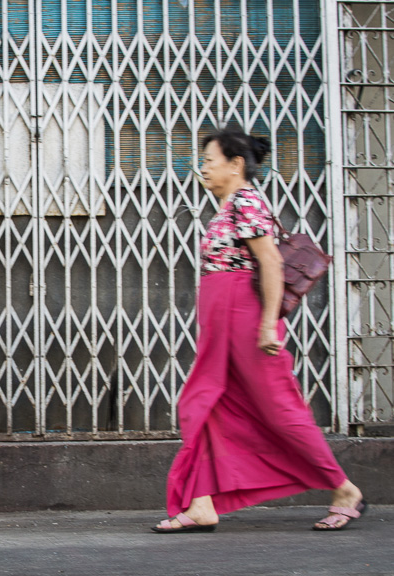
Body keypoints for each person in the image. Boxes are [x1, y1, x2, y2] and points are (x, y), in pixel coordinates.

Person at [152, 127, 366, 533]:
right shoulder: (231, 204)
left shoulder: (246, 201)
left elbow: (268, 262)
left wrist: (268, 323)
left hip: (244, 321)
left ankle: (344, 489)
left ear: (235, 165)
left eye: (211, 162)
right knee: (209, 407)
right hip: (222, 325)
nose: (204, 170)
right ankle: (201, 505)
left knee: (279, 409)